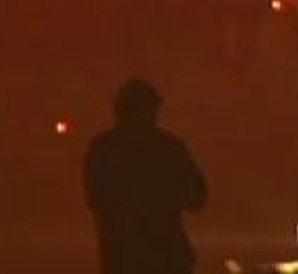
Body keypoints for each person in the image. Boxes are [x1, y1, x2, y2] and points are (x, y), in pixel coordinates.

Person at [84, 78, 207, 274]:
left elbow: (97, 198)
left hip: (122, 258)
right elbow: (198, 196)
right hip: (167, 257)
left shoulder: (103, 149)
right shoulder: (169, 149)